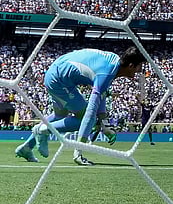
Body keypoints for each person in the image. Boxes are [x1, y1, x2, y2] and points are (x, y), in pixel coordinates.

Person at [15, 46, 146, 165]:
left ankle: (26, 148)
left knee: (60, 115)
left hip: (55, 73)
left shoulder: (113, 63)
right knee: (85, 117)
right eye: (139, 66)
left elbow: (102, 94)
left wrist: (105, 125)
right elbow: (91, 111)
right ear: (130, 65)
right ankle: (43, 130)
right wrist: (79, 151)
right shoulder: (106, 73)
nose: (140, 71)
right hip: (59, 81)